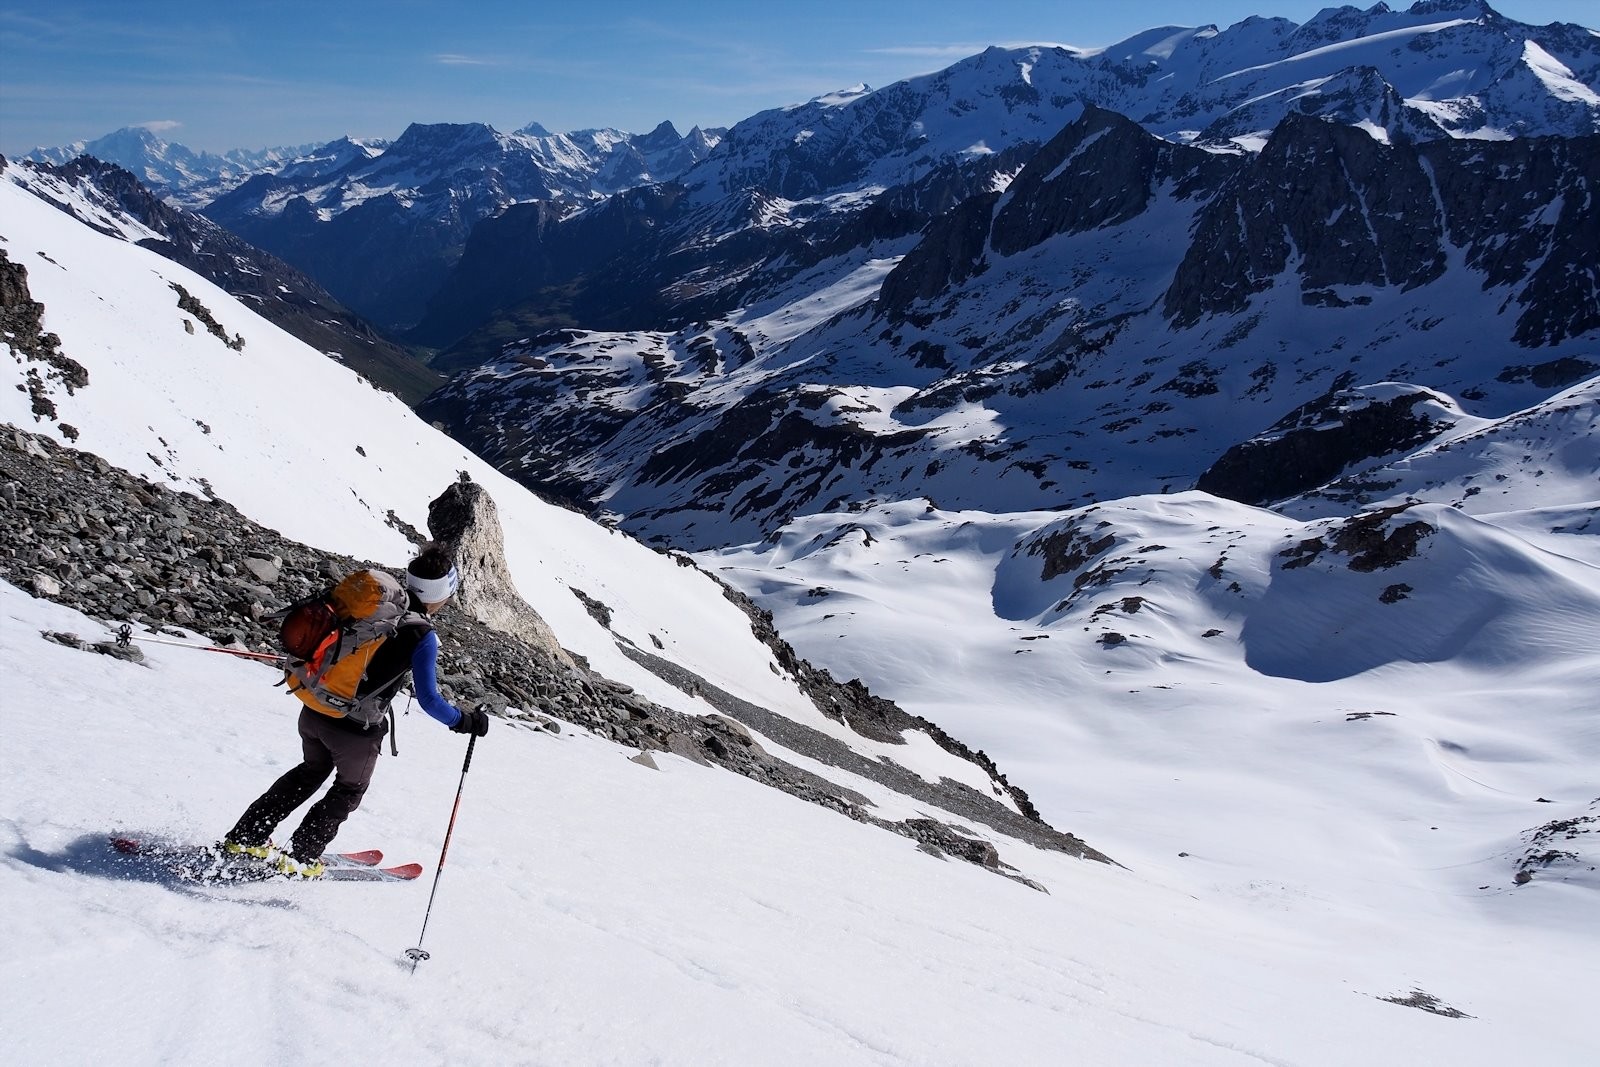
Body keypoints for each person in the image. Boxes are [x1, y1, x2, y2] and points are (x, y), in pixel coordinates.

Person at [222, 542, 490, 878]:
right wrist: (464, 721)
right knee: (349, 788)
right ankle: (300, 857)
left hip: (314, 706)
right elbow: (430, 701)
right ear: (441, 595)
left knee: (309, 772)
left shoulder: (375, 609)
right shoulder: (422, 635)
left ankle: (246, 836)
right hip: (354, 731)